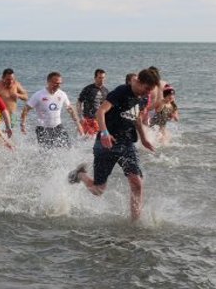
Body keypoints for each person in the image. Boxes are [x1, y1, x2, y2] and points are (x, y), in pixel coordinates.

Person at [67, 68, 161, 222]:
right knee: (98, 190)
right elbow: (100, 112)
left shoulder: (143, 97)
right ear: (138, 82)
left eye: (151, 90)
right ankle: (79, 175)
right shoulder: (121, 92)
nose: (147, 93)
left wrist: (143, 138)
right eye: (147, 89)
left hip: (127, 143)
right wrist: (104, 133)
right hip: (106, 143)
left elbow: (136, 116)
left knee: (137, 183)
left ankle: (134, 223)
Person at [20, 72, 83, 149]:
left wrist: (78, 125)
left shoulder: (62, 94)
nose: (58, 86)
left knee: (68, 148)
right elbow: (26, 109)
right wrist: (22, 124)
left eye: (60, 83)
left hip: (58, 127)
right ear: (48, 82)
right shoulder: (39, 95)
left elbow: (70, 109)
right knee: (46, 153)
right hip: (43, 129)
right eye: (56, 83)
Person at [76, 69, 108, 136]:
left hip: (99, 120)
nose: (102, 80)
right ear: (95, 78)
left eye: (103, 78)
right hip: (88, 119)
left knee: (99, 139)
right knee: (88, 139)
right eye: (99, 78)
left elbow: (106, 106)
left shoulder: (106, 91)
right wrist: (80, 117)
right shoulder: (88, 89)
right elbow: (79, 102)